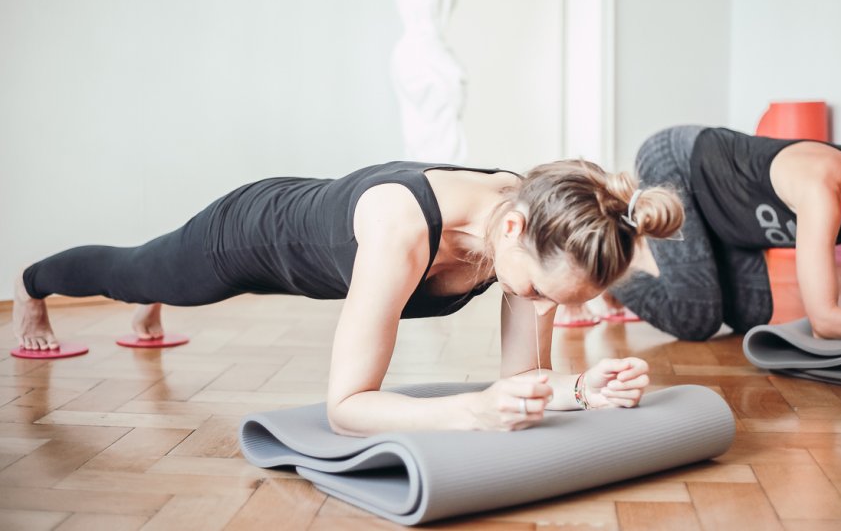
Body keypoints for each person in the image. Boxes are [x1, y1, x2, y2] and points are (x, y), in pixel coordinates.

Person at [13, 160, 684, 436]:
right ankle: (31, 284)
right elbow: (346, 410)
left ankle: (153, 298)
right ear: (511, 230)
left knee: (153, 282)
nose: (544, 309)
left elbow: (525, 378)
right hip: (245, 235)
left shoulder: (529, 220)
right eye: (539, 292)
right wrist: (471, 411)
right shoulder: (402, 231)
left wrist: (581, 389)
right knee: (138, 271)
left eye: (562, 303)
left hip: (316, 245)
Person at [607, 125, 841, 342]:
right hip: (680, 167)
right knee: (695, 317)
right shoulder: (823, 186)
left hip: (730, 222)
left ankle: (675, 258)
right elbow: (824, 323)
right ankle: (612, 264)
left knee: (752, 314)